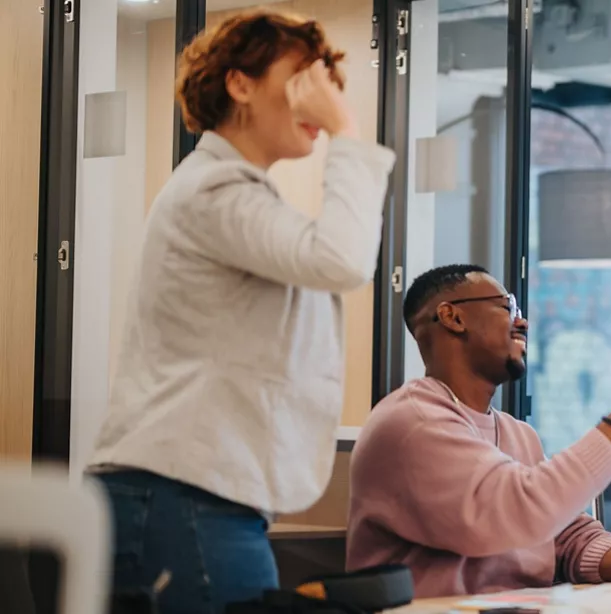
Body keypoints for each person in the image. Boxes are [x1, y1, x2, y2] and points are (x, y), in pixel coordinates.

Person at [87, 10, 394, 613]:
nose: (321, 95)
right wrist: (348, 130)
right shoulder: (213, 191)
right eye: (303, 77)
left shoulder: (235, 192)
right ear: (241, 83)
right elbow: (340, 259)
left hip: (192, 499)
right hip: (181, 497)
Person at [347, 265, 611, 597]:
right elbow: (521, 510)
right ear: (452, 316)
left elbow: (564, 535)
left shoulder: (518, 434)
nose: (522, 322)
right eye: (507, 307)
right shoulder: (411, 423)